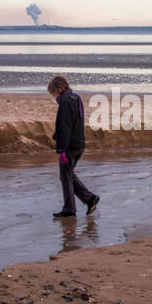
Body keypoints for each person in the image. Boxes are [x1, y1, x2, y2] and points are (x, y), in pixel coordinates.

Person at [49, 75, 99, 218]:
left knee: (65, 176)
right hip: (79, 143)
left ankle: (71, 209)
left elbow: (65, 127)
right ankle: (89, 199)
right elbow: (74, 122)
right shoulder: (75, 98)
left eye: (53, 93)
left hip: (70, 146)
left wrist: (61, 150)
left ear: (59, 89)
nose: (54, 97)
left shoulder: (65, 102)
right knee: (68, 174)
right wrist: (56, 135)